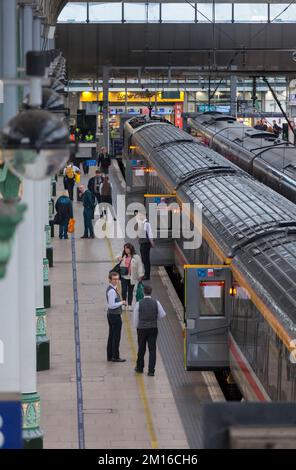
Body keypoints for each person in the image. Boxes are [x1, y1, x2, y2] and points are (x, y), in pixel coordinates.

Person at [133, 285, 166, 376]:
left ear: (144, 292)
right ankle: (151, 371)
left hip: (142, 329)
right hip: (153, 328)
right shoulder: (156, 302)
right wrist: (156, 319)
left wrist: (137, 327)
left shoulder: (139, 303)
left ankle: (140, 368)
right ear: (151, 292)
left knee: (141, 349)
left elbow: (136, 317)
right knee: (152, 349)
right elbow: (162, 314)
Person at [116, 243, 144, 311]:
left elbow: (140, 266)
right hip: (124, 277)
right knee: (124, 290)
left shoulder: (136, 257)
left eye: (127, 248)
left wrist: (140, 275)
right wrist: (118, 258)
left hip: (132, 277)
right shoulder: (123, 255)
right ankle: (123, 303)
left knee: (130, 291)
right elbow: (117, 256)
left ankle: (130, 305)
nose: (126, 250)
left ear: (130, 249)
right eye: (125, 248)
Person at [106, 271, 126, 362]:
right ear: (110, 280)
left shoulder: (113, 289)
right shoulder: (111, 291)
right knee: (116, 336)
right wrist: (122, 302)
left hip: (112, 315)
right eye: (114, 279)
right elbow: (111, 305)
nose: (116, 281)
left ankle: (110, 356)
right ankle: (115, 356)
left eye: (117, 279)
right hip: (114, 316)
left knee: (112, 335)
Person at [138, 212, 155, 280]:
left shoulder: (147, 224)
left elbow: (150, 234)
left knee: (146, 260)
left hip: (146, 243)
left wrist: (152, 242)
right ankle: (145, 274)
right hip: (142, 243)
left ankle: (147, 275)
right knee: (143, 259)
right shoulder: (142, 223)